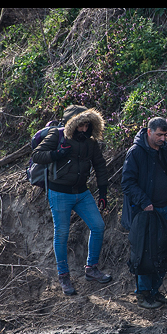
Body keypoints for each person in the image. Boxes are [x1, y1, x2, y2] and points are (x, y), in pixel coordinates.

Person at [32, 105, 111, 296]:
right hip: (59, 193)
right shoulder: (56, 136)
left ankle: (91, 269)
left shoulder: (91, 143)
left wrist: (103, 192)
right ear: (72, 124)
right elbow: (37, 155)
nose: (84, 129)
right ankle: (64, 277)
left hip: (82, 193)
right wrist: (57, 154)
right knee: (62, 234)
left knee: (98, 226)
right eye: (80, 126)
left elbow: (100, 166)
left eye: (86, 126)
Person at [122, 117, 167, 309]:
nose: (163, 138)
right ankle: (142, 294)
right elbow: (127, 183)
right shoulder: (135, 153)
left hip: (165, 207)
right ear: (149, 132)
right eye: (159, 135)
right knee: (144, 254)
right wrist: (144, 202)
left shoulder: (165, 149)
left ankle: (156, 292)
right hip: (145, 212)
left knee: (162, 251)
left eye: (165, 135)